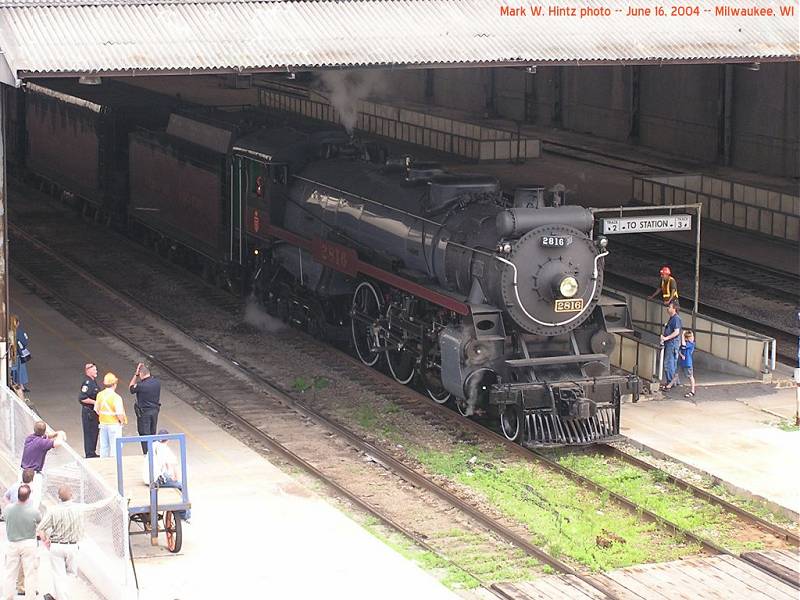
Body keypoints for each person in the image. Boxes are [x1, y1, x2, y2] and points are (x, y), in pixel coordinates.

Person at [37, 486, 85, 600]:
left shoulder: (53, 510)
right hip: (72, 546)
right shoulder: (79, 508)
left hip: (57, 546)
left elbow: (40, 528)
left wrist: (46, 541)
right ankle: (58, 596)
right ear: (72, 495)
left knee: (58, 575)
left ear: (58, 497)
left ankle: (56, 596)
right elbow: (97, 506)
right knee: (71, 574)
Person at [2, 485, 41, 600]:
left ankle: (8, 596)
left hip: (12, 543)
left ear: (17, 495)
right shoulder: (34, 511)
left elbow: (5, 517)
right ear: (29, 497)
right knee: (29, 573)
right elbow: (39, 521)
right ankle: (30, 597)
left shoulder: (8, 509)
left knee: (10, 573)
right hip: (28, 543)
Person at [142, 430, 190, 521]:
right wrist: (175, 478)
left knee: (168, 478)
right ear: (168, 440)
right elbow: (173, 464)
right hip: (156, 480)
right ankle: (185, 514)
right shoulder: (165, 449)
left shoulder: (152, 445)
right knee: (181, 485)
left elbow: (164, 462)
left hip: (146, 478)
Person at [21, 421, 66, 504]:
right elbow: (58, 443)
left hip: (23, 472)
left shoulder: (29, 438)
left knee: (22, 495)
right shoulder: (41, 443)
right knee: (35, 497)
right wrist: (60, 434)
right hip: (33, 474)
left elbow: (46, 436)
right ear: (44, 431)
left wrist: (56, 433)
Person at [129, 362, 161, 454]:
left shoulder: (140, 385)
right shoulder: (157, 383)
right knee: (152, 433)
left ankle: (147, 453)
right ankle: (153, 452)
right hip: (155, 411)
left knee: (144, 433)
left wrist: (135, 375)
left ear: (141, 374)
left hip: (144, 413)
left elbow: (131, 388)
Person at [94, 372, 127, 457]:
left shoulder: (100, 395)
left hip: (103, 424)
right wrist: (122, 421)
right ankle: (114, 464)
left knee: (104, 446)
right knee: (115, 447)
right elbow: (119, 413)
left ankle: (104, 463)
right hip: (114, 425)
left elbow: (96, 409)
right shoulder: (116, 397)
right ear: (114, 384)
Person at [78, 362, 101, 458]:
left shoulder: (93, 381)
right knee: (89, 432)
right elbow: (82, 398)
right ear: (88, 370)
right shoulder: (87, 383)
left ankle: (92, 451)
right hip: (89, 412)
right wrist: (95, 402)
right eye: (94, 370)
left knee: (94, 432)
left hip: (94, 412)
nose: (96, 371)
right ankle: (90, 453)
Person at [659, 300, 683, 391]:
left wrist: (666, 338)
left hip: (672, 344)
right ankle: (673, 381)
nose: (668, 308)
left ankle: (670, 382)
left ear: (674, 309)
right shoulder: (672, 318)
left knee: (669, 363)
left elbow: (676, 332)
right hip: (671, 343)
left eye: (669, 307)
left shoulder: (676, 319)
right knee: (671, 363)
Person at [9, 315, 31, 393]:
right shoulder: (20, 331)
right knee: (21, 370)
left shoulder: (8, 331)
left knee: (12, 370)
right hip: (19, 354)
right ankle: (20, 386)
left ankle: (12, 384)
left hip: (10, 355)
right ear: (17, 323)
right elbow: (25, 342)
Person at [680, 330, 697, 399]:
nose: (692, 338)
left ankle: (692, 391)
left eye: (692, 336)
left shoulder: (691, 344)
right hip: (683, 362)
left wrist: (682, 335)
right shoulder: (687, 342)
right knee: (676, 374)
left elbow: (683, 346)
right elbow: (680, 350)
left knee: (690, 376)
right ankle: (670, 384)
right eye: (691, 337)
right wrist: (681, 355)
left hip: (688, 363)